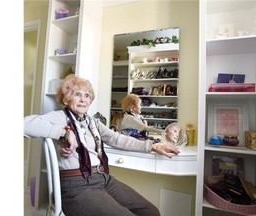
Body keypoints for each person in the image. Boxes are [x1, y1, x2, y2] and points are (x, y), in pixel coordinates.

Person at [24, 74, 180, 216]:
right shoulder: (59, 118)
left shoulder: (92, 122)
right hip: (76, 187)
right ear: (66, 99)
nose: (83, 99)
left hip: (103, 178)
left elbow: (117, 139)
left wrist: (151, 145)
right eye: (77, 94)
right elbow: (24, 125)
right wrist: (65, 132)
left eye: (87, 96)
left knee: (151, 212)